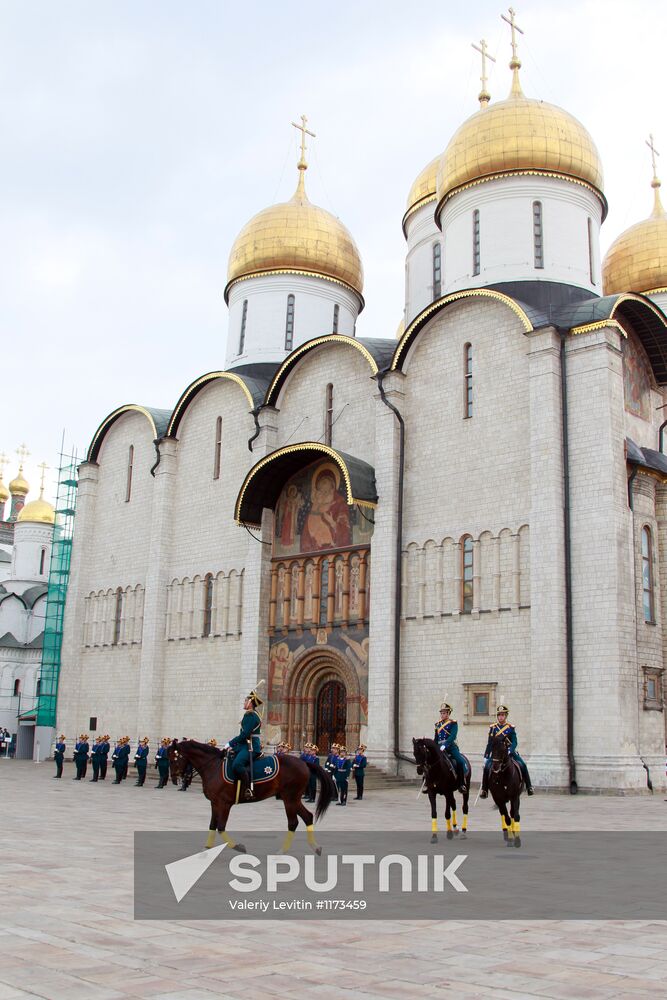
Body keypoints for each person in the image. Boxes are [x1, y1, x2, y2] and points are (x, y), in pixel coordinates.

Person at [480, 704, 534, 798]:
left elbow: (514, 742)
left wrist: (510, 750)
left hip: (509, 753)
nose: (501, 717)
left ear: (506, 716)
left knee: (522, 765)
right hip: (496, 754)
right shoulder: (493, 728)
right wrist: (486, 756)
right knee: (487, 767)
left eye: (502, 715)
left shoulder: (510, 728)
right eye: (499, 715)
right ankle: (484, 789)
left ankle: (529, 787)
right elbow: (489, 744)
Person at [224, 688, 263, 800]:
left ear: (250, 703)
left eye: (245, 701)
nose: (244, 703)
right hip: (245, 745)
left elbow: (245, 734)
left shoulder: (250, 715)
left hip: (251, 746)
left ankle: (247, 789)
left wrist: (230, 743)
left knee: (237, 764)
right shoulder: (251, 714)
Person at [434, 703, 467, 794]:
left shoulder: (453, 723)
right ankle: (429, 782)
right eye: (441, 713)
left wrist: (446, 744)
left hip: (451, 746)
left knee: (459, 761)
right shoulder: (437, 724)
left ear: (448, 714)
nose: (442, 715)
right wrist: (434, 747)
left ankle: (461, 783)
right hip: (439, 747)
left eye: (444, 713)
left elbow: (453, 736)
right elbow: (436, 738)